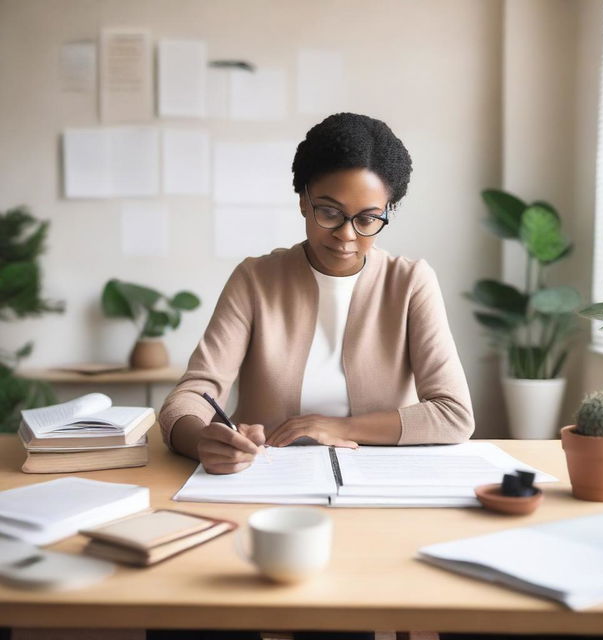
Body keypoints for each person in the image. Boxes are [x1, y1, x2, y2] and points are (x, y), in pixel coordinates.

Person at [155, 112, 474, 640]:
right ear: (303, 199)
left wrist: (339, 428)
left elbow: (454, 414)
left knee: (343, 616)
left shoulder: (411, 282)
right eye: (329, 212)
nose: (347, 235)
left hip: (370, 504)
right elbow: (191, 395)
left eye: (369, 218)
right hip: (262, 494)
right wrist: (201, 439)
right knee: (195, 609)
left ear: (387, 213)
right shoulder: (256, 278)